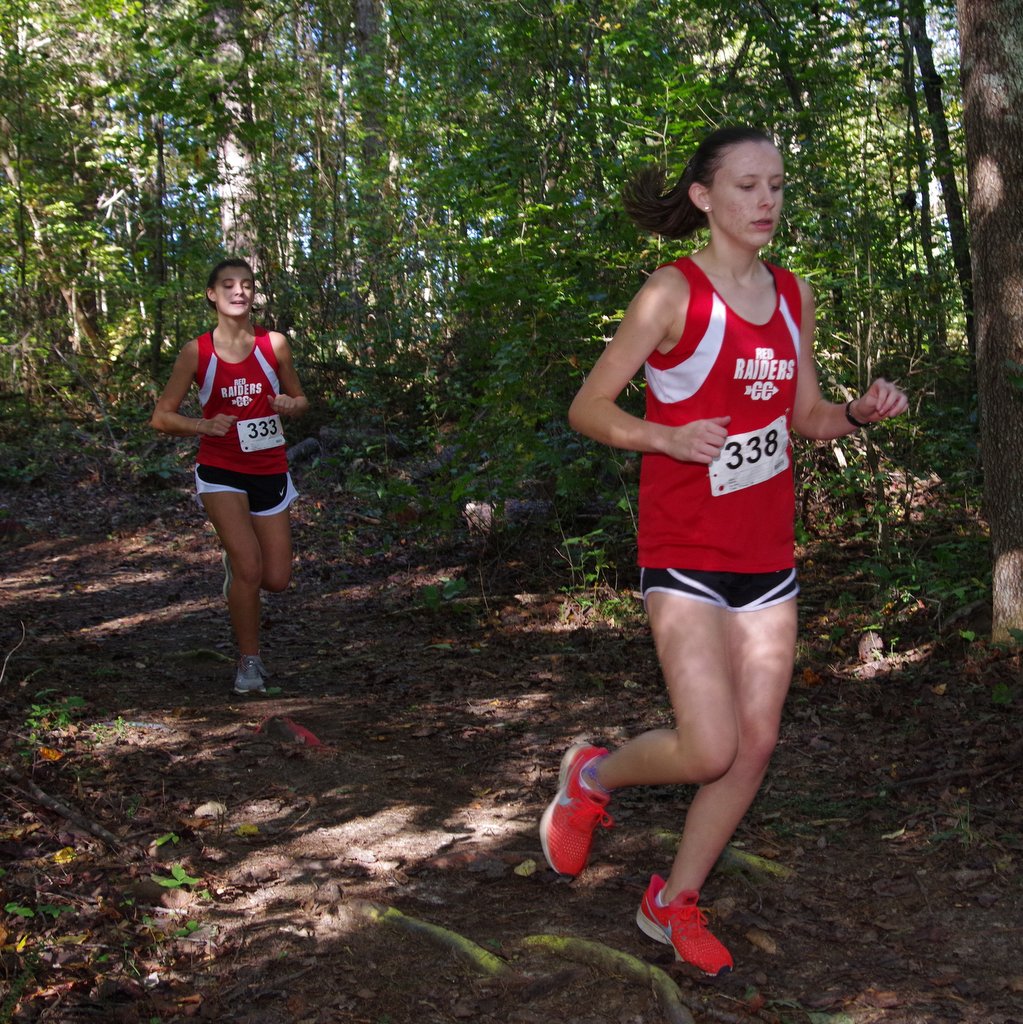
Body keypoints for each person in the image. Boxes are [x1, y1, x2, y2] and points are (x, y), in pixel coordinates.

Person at [538, 127, 908, 976]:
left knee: (755, 745)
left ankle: (671, 903)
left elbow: (803, 417)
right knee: (709, 746)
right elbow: (588, 407)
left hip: (765, 554)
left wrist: (855, 413)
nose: (765, 201)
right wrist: (664, 438)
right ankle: (591, 777)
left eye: (775, 185)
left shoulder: (791, 294)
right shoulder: (672, 291)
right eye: (746, 186)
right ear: (704, 197)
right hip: (683, 547)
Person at [151, 258, 309, 695]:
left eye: (246, 284)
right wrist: (202, 425)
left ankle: (237, 567)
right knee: (250, 568)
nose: (239, 291)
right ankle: (249, 662)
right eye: (228, 285)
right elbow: (161, 416)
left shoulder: (274, 344)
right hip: (221, 470)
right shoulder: (197, 352)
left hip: (269, 468)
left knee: (276, 579)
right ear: (212, 294)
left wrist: (291, 405)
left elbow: (300, 399)